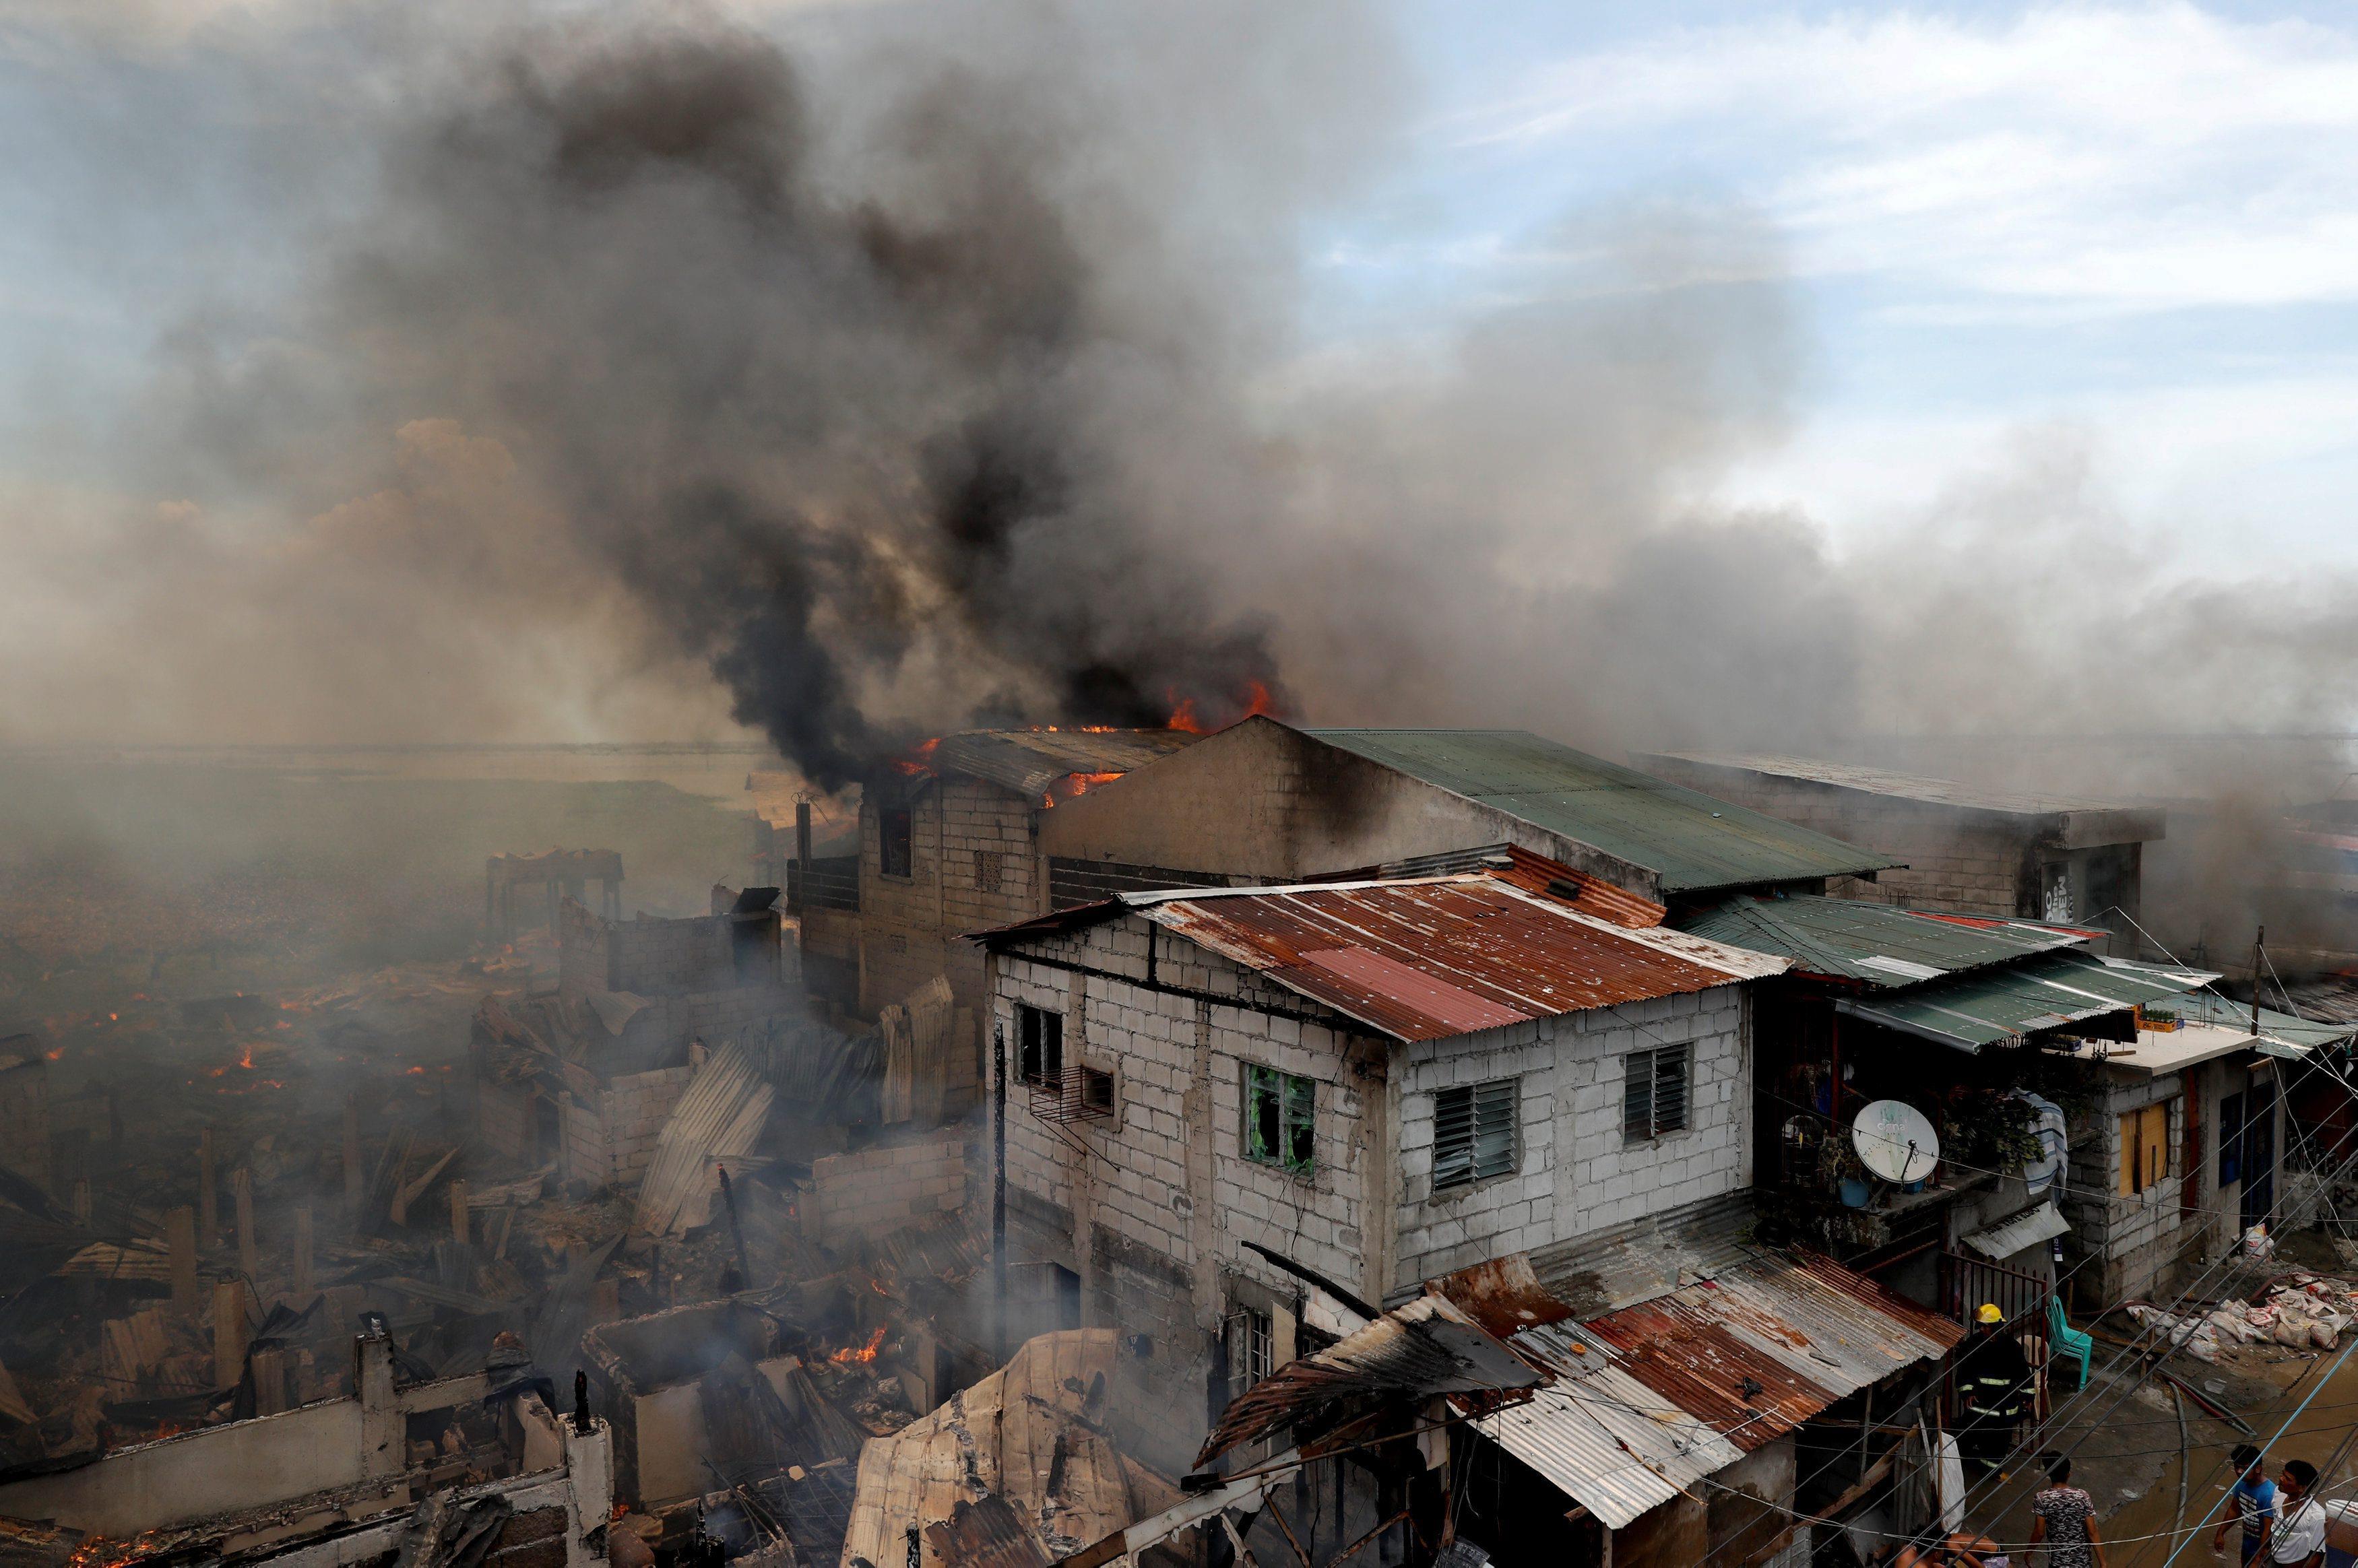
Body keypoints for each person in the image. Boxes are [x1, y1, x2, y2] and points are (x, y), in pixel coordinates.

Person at [1957, 1303, 2034, 1479]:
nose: (1982, 1330)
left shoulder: (2012, 1347)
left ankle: (1992, 1471)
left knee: (1998, 1442)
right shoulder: (1973, 1344)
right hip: (1979, 1404)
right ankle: (1961, 1465)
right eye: (1981, 1326)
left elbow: (2023, 1373)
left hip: (2004, 1406)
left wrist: (2028, 1396)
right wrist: (1967, 1392)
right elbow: (1964, 1372)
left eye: (1986, 1326)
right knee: (1968, 1435)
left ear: (1996, 1327)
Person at [2031, 1452, 2106, 1568]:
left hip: (2058, 1562)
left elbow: (2039, 1532)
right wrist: (2103, 1563)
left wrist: (2028, 1553)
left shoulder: (2042, 1498)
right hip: (2083, 1561)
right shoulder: (2083, 1496)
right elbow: (2092, 1532)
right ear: (2069, 1474)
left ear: (2049, 1474)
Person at [2214, 1445, 2278, 1565]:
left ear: (2258, 1468)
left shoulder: (2269, 1494)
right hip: (2248, 1542)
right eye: (2237, 1467)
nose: (2239, 1472)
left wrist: (2260, 1555)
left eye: (2244, 1468)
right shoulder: (2241, 1484)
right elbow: (2234, 1510)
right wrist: (2221, 1533)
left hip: (2264, 1547)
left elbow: (2268, 1529)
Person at [2271, 1462, 2328, 1568]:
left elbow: (2318, 1556)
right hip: (2273, 1559)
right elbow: (2274, 1522)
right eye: (2282, 1474)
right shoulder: (2279, 1494)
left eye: (2287, 1479)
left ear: (2302, 1488)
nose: (2281, 1479)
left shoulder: (2316, 1516)